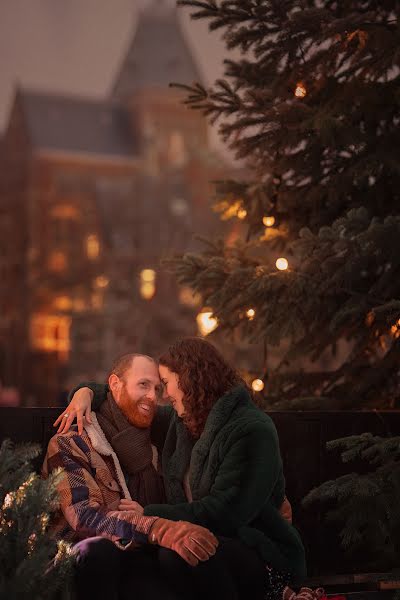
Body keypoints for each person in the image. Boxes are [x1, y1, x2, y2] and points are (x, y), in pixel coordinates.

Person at [58, 338, 306, 600]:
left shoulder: (252, 428)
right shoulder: (184, 421)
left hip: (258, 548)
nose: (161, 395)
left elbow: (228, 512)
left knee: (182, 553)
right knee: (175, 554)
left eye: (164, 384)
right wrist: (84, 392)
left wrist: (151, 514)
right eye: (155, 385)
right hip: (195, 539)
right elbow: (124, 398)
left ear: (189, 380)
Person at [44, 353, 218, 600]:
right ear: (114, 385)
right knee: (99, 552)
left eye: (157, 389)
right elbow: (84, 518)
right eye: (143, 385)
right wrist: (157, 527)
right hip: (87, 562)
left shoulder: (157, 450)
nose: (152, 396)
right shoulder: (72, 442)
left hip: (143, 558)